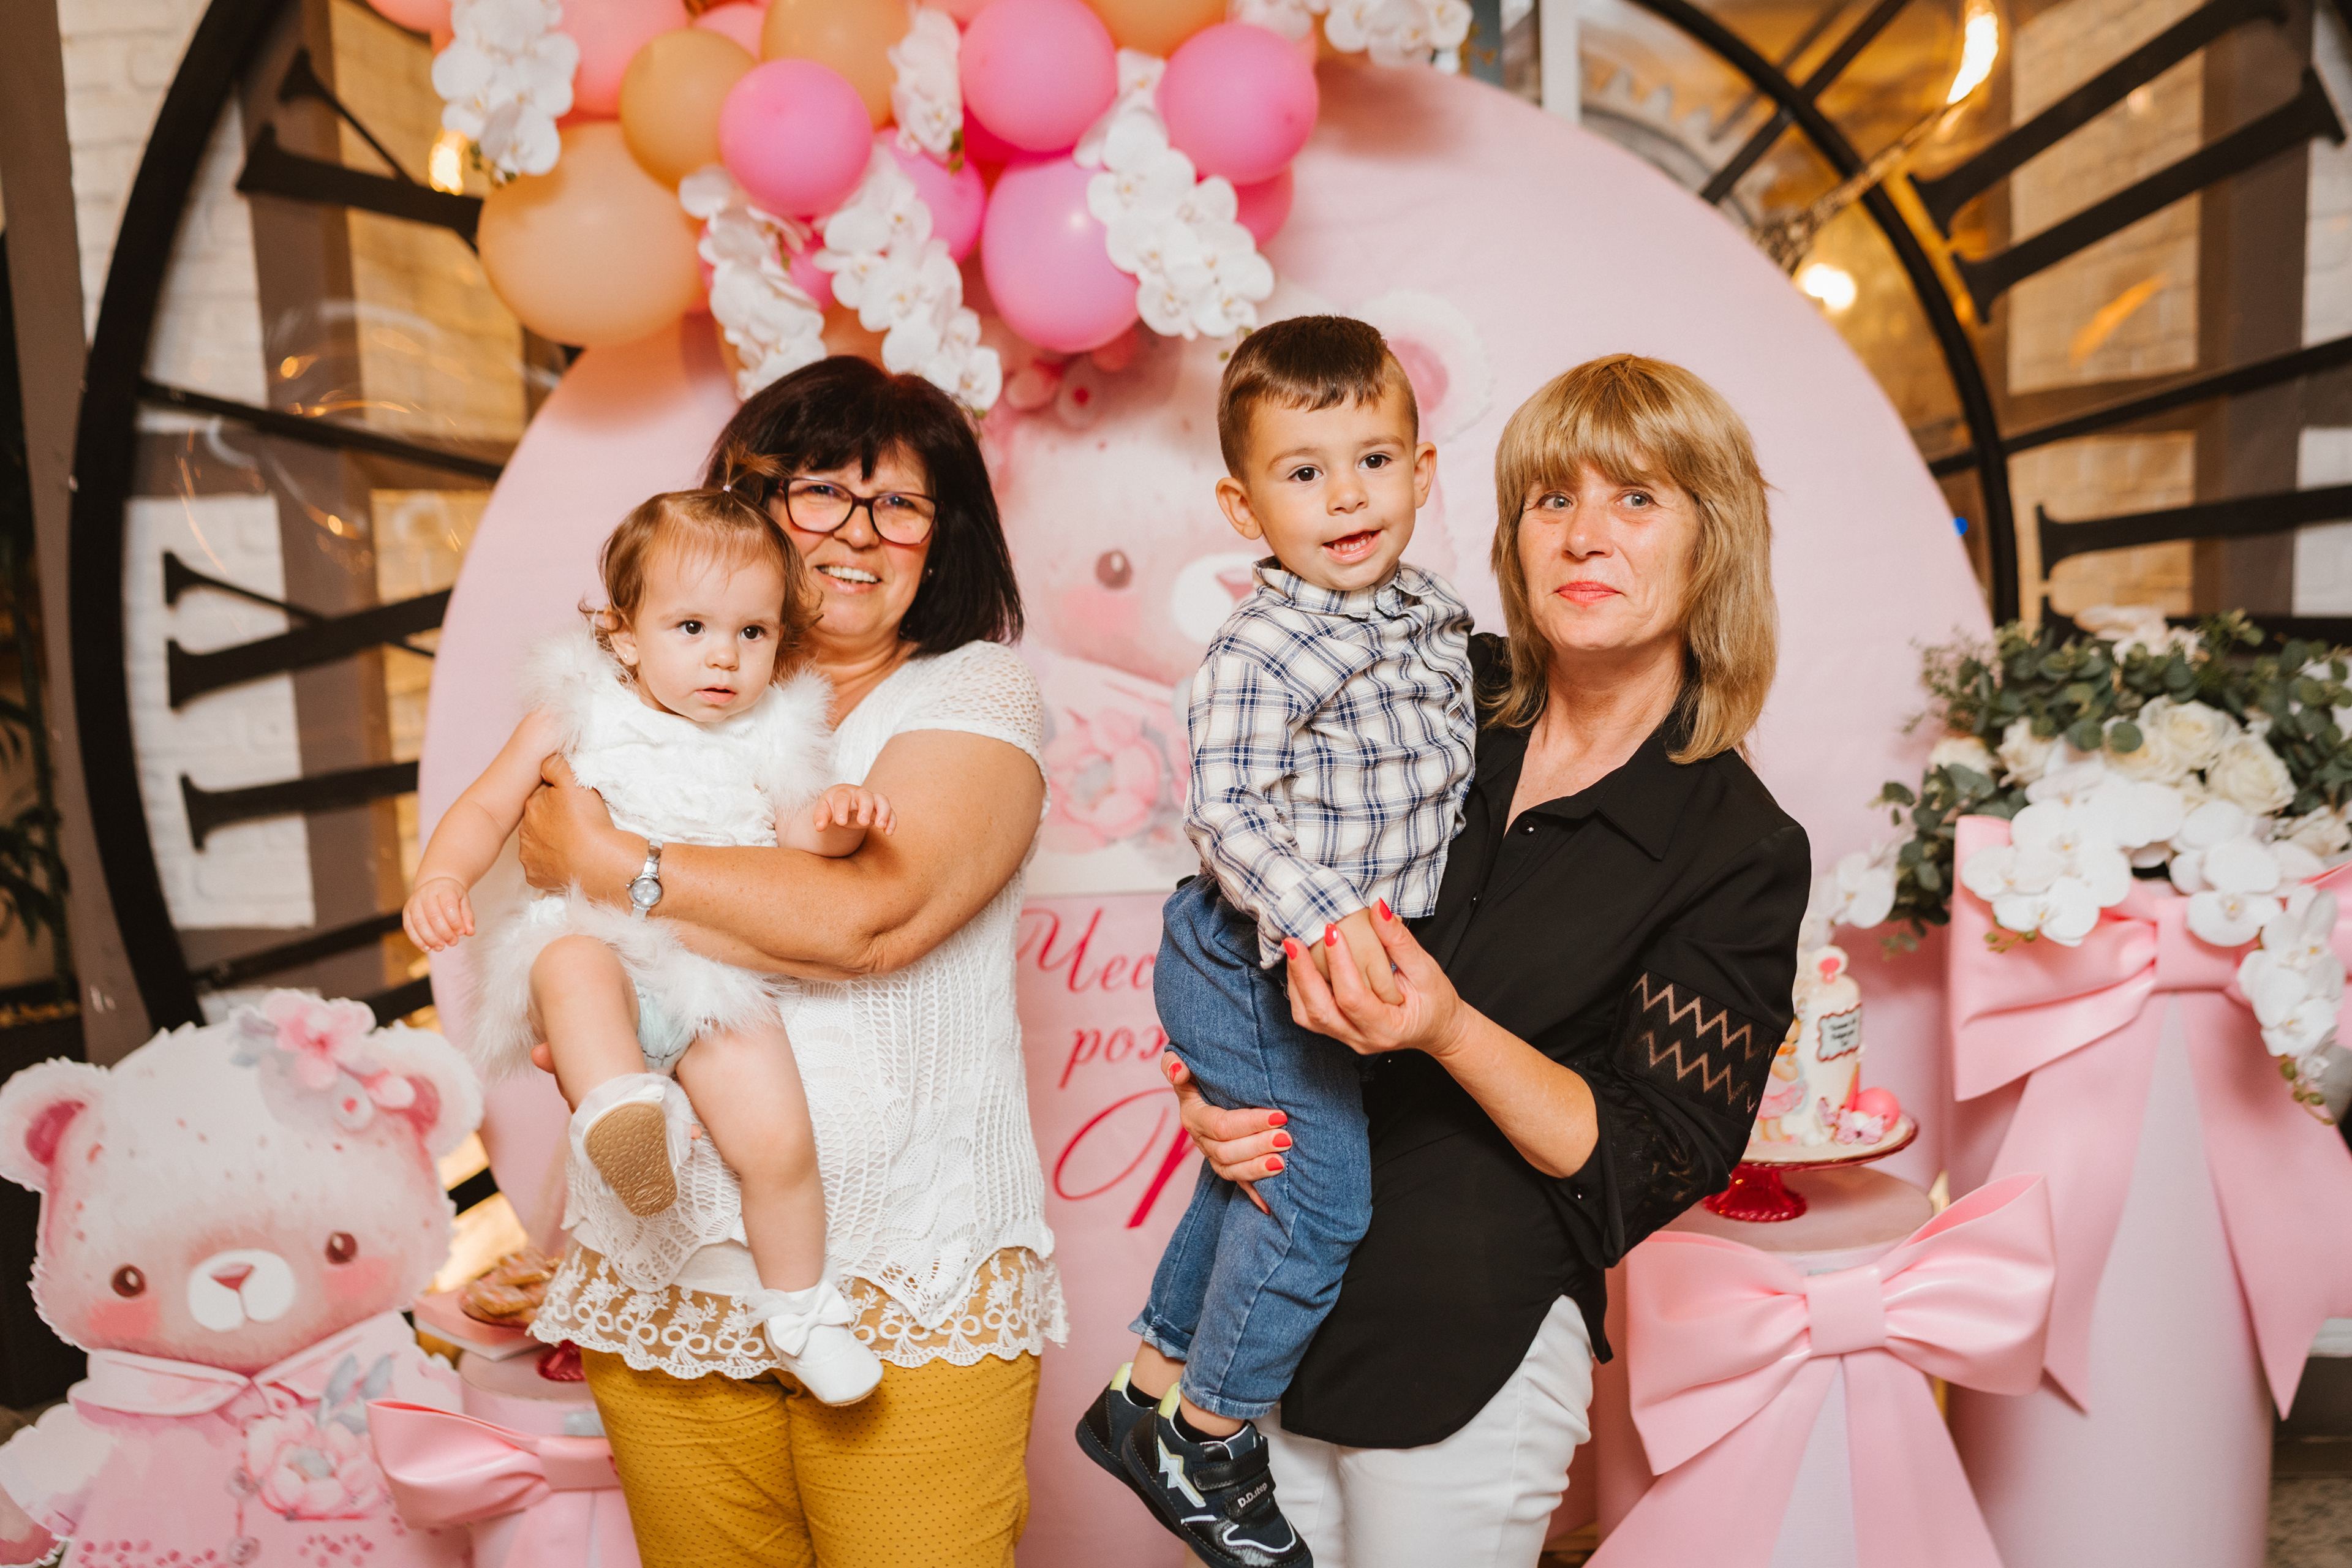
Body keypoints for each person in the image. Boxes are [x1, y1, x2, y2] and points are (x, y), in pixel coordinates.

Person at [1161, 353, 1811, 1567]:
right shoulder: (1432, 685)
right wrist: (1221, 1087)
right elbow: (1243, 866)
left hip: (1465, 1348)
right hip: (1270, 1325)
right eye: (1552, 498)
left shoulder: (1737, 844)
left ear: (1711, 539)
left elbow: (1652, 1159)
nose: (1584, 535)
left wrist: (1449, 1029)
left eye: (1636, 499)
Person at [511, 356, 1058, 1568]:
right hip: (666, 1277)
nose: (859, 532)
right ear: (748, 505)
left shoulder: (974, 692)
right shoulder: (636, 690)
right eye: (821, 491)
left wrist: (618, 867)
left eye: (899, 504)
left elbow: (868, 919)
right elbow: (548, 902)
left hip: (904, 1280)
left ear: (943, 539)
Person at [1074, 315, 1474, 1568]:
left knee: (1251, 1177)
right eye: (1305, 473)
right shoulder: (1263, 645)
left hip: (1346, 960)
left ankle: (1142, 1395)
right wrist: (1326, 926)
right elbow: (1229, 813)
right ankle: (1210, 1438)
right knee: (1319, 1204)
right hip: (1254, 954)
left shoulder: (1432, 614)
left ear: (1422, 472)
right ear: (1244, 508)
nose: (1346, 496)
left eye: (1374, 460)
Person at [405, 464, 891, 1404]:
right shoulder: (578, 712)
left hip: (712, 969)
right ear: (623, 634)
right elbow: (489, 806)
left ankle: (801, 1313)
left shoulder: (771, 733)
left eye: (753, 634)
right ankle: (623, 1112)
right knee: (574, 966)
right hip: (597, 938)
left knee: (781, 1145)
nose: (725, 659)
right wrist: (440, 876)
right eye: (692, 629)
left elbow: (802, 839)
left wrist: (843, 817)